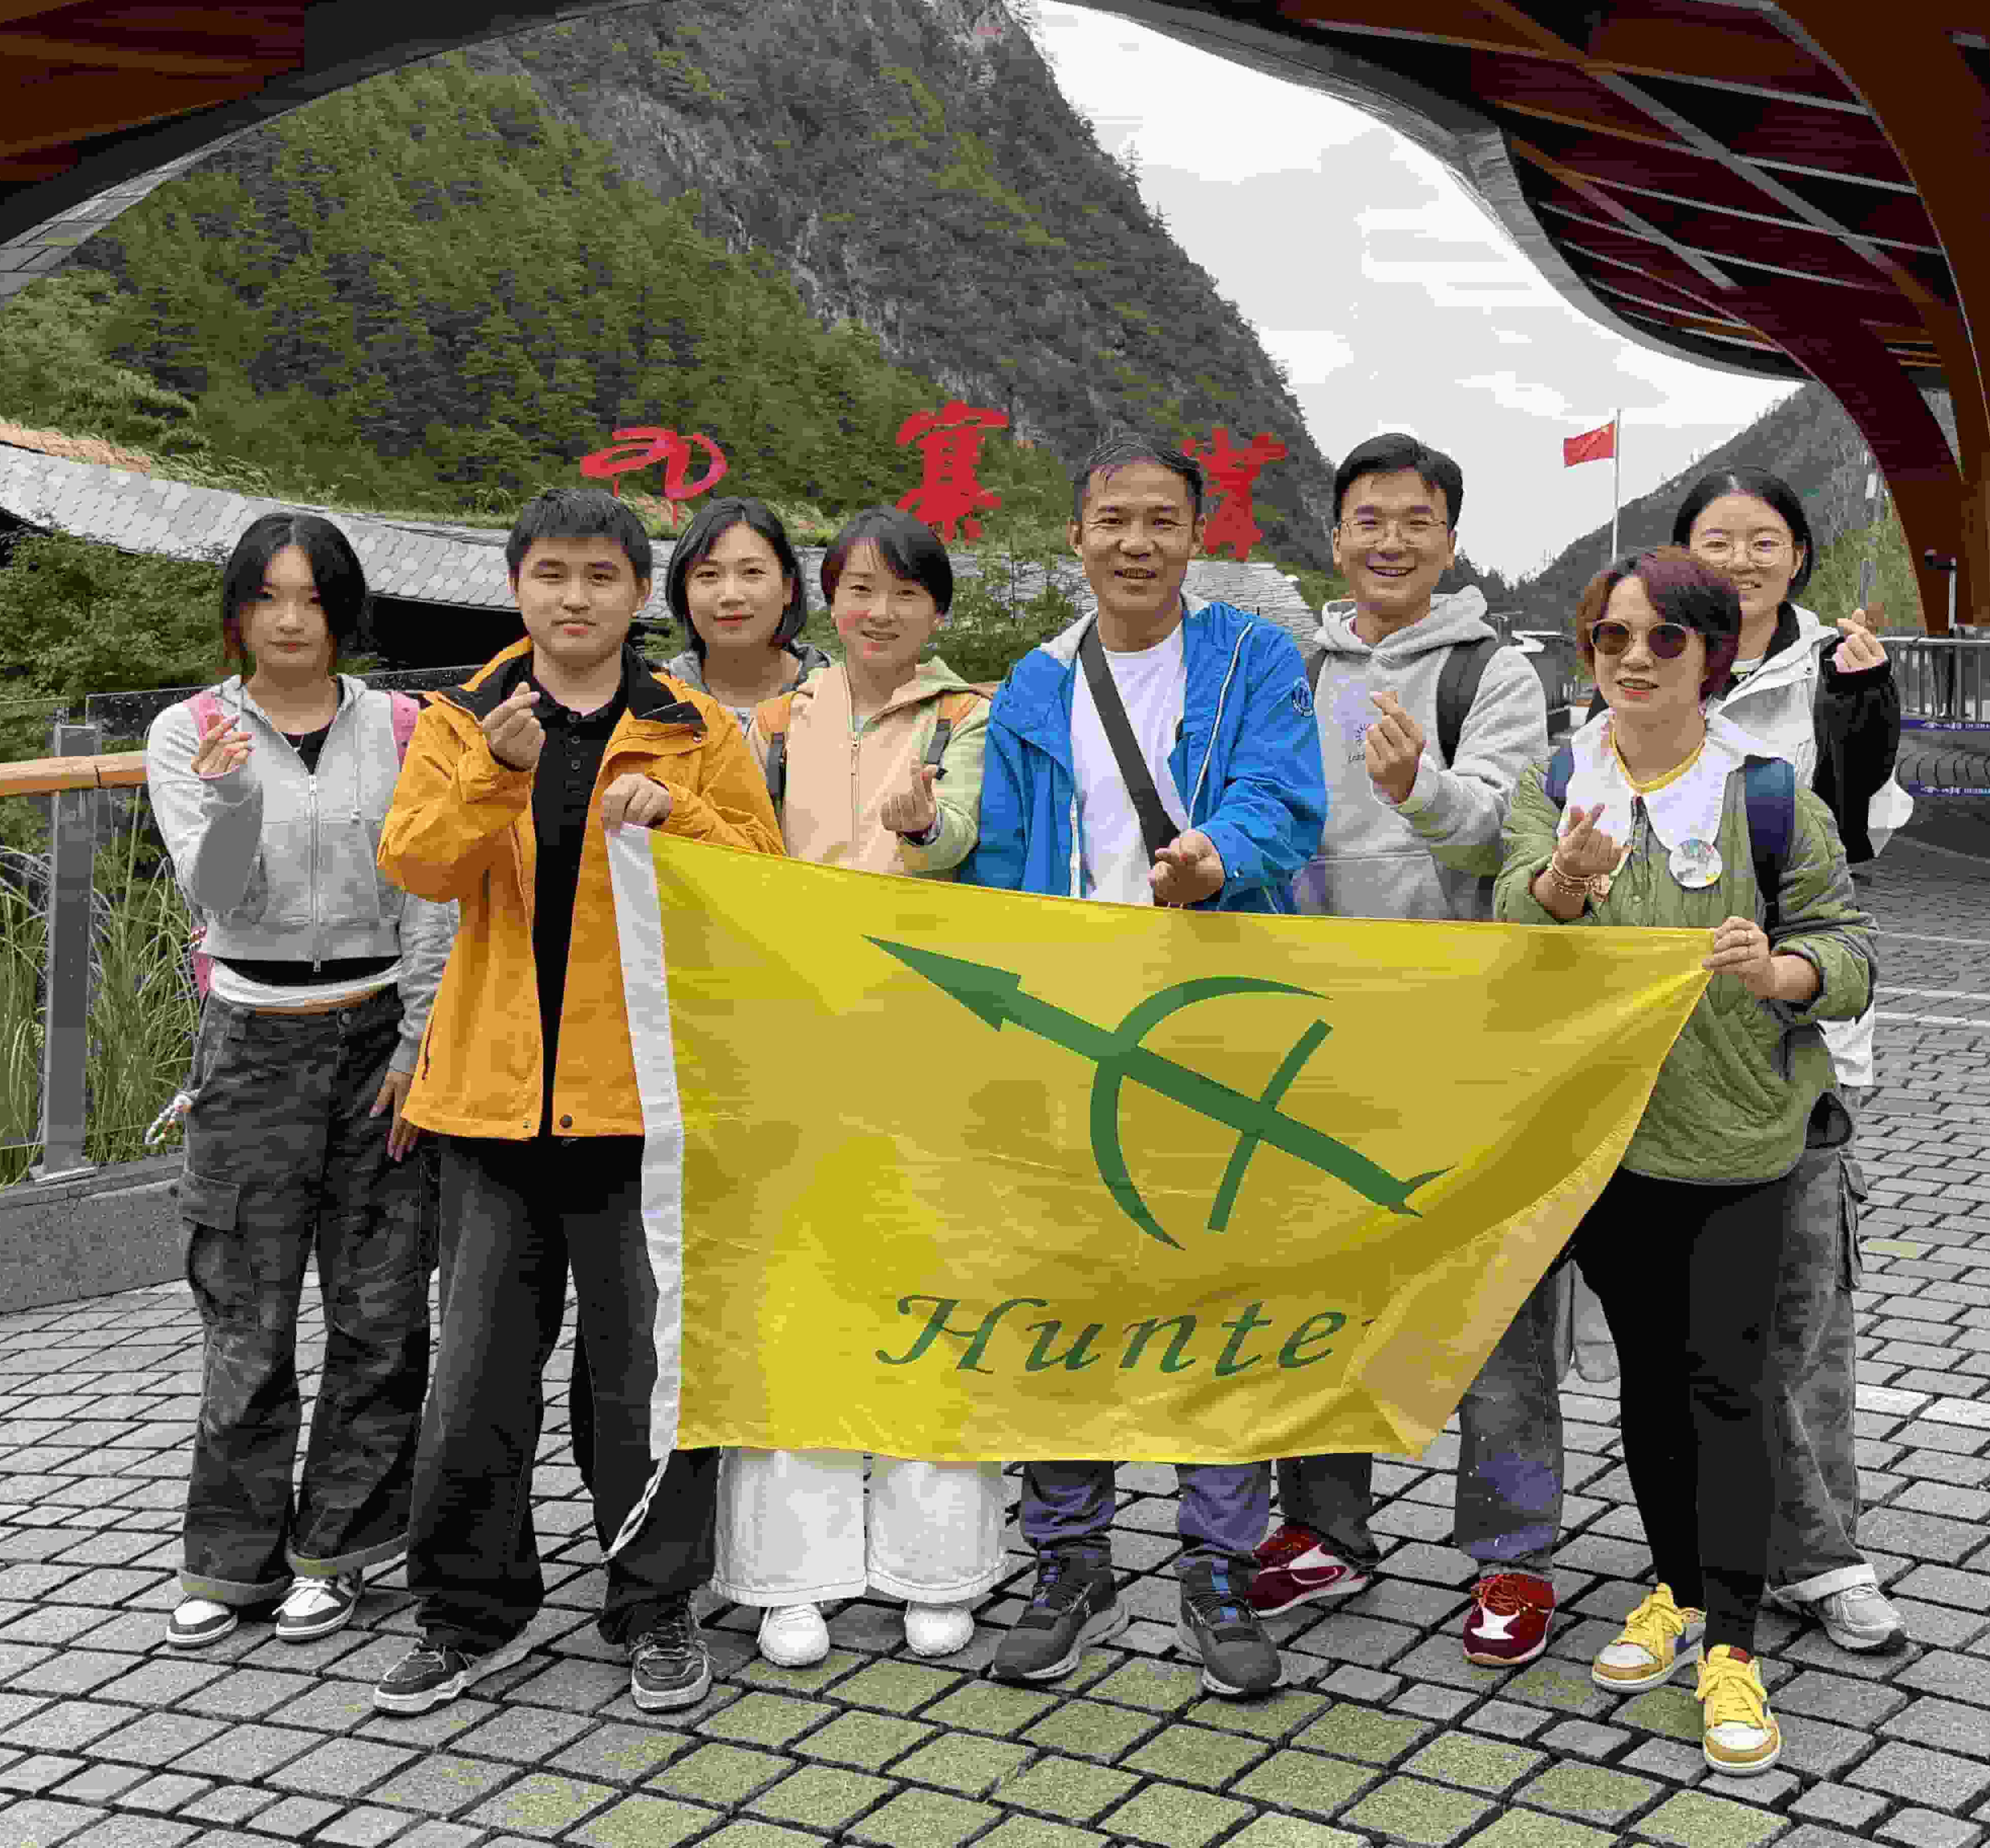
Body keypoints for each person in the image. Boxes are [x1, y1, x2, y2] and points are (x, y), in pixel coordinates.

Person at [370, 486, 783, 1718]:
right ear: (517, 588)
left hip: (640, 1104)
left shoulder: (691, 728)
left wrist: (683, 815)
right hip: (489, 1106)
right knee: (475, 1381)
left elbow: (765, 886)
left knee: (641, 1376)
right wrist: (495, 774)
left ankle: (654, 1604)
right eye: (551, 574)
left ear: (639, 595)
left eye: (603, 576)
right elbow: (418, 863)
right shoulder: (462, 720)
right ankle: (468, 1615)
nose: (576, 598)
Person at [1496, 545, 1877, 1777]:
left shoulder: (1768, 793)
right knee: (1651, 1383)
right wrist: (1562, 883)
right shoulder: (1558, 781)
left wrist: (1782, 971)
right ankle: (1672, 1585)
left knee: (1727, 1385)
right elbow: (1511, 929)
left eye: (1667, 638)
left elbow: (1850, 948)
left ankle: (1733, 1645)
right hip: (1604, 1143)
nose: (1637, 658)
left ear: (1713, 656)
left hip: (1743, 1144)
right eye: (1612, 637)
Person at [966, 431, 1328, 1699]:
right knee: (1067, 1300)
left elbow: (1285, 798)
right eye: (1113, 519)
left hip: (1215, 1026)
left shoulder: (1253, 659)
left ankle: (1217, 1567)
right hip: (1068, 1030)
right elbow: (1001, 856)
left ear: (1196, 536)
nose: (1136, 543)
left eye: (1162, 520)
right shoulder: (1031, 684)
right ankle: (1070, 1559)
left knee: (1218, 1302)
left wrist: (1221, 855)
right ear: (1078, 535)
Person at [1253, 433, 1554, 1663]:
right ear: (1336, 537)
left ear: (1450, 540)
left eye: (1415, 521)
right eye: (1368, 520)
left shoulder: (1495, 672)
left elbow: (1507, 832)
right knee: (1322, 1294)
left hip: (1456, 1035)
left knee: (1491, 1304)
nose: (1390, 541)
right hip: (1314, 1036)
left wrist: (1419, 787)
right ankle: (1325, 1529)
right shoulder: (1288, 670)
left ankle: (1512, 1558)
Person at [142, 514, 457, 1651]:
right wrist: (232, 796)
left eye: (313, 599)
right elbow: (218, 896)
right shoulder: (190, 731)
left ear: (343, 612)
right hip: (252, 1038)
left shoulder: (403, 727)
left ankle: (342, 1550)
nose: (290, 621)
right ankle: (232, 1563)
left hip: (376, 1031)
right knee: (247, 1312)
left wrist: (419, 1038)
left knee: (380, 1310)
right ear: (238, 611)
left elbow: (430, 892)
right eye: (268, 597)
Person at [715, 507, 1006, 1668]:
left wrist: (925, 826)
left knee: (933, 1291)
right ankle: (797, 1575)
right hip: (798, 1037)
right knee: (801, 1298)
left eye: (905, 593)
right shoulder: (783, 719)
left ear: (937, 611)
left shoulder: (969, 716)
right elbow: (736, 848)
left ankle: (937, 1566)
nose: (879, 613)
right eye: (858, 591)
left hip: (928, 1037)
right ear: (826, 603)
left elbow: (964, 833)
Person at [1673, 468, 1911, 1654]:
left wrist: (1867, 715)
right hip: (1669, 1036)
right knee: (1698, 1314)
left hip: (1797, 1029)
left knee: (1808, 1309)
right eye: (1716, 541)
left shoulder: (1836, 672)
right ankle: (1742, 1541)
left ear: (1801, 555)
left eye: (1763, 541)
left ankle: (1821, 1553)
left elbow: (1865, 836)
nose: (1741, 561)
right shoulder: (1649, 660)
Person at [659, 495, 831, 745]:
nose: (731, 596)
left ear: (788, 587)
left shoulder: (842, 698)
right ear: (683, 590)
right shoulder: (652, 703)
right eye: (709, 574)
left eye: (752, 572)